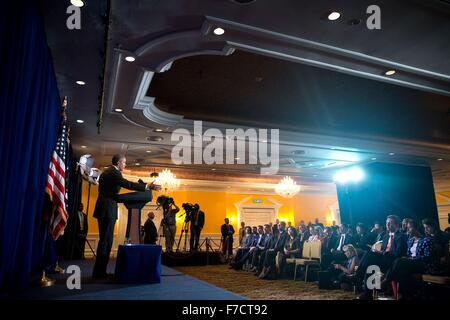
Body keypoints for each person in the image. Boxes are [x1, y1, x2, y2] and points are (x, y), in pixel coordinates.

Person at [92, 154, 160, 278]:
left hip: (104, 208)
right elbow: (127, 184)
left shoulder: (108, 172)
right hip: (107, 209)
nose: (125, 165)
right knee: (106, 241)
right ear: (118, 163)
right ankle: (99, 272)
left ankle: (99, 271)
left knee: (105, 240)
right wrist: (146, 187)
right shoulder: (113, 172)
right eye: (124, 163)